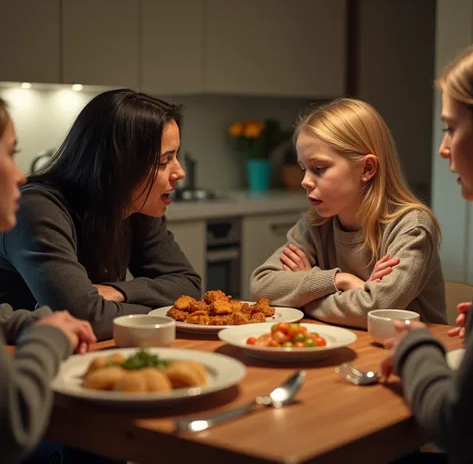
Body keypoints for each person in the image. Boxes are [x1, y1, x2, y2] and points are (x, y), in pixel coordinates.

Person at [0, 89, 201, 340]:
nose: (179, 172)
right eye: (163, 161)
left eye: (176, 156)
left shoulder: (138, 204)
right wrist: (166, 310)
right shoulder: (37, 210)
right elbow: (85, 317)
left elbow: (190, 288)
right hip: (24, 364)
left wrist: (118, 291)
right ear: (119, 165)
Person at [250, 98, 446, 328]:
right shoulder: (314, 225)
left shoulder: (411, 227)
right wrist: (338, 280)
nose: (305, 181)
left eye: (319, 169)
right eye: (304, 168)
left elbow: (374, 310)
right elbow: (261, 285)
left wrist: (304, 297)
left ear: (367, 168)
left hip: (410, 354)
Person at [382, 45, 473, 464]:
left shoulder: (412, 224)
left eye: (451, 128)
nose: (443, 148)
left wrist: (415, 345)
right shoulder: (314, 223)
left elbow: (457, 424)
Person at [0, 97, 98, 463]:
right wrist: (46, 338)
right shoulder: (39, 206)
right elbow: (13, 427)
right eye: (10, 154)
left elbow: (187, 281)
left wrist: (30, 322)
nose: (20, 174)